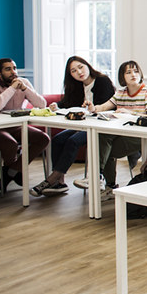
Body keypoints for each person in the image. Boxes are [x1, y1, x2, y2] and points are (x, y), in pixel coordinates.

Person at [29, 56, 114, 196]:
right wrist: (57, 105)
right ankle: (59, 182)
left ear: (87, 65)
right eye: (74, 71)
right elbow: (68, 102)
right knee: (57, 140)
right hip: (83, 124)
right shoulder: (77, 85)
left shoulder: (102, 81)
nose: (79, 72)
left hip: (99, 125)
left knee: (73, 141)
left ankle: (52, 179)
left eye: (80, 67)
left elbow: (106, 106)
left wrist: (93, 108)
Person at [73, 60, 147, 200]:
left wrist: (128, 113)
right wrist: (92, 108)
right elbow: (104, 107)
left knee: (105, 147)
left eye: (135, 71)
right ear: (122, 77)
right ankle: (105, 183)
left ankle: (101, 180)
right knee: (103, 139)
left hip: (139, 135)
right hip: (122, 132)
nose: (133, 74)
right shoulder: (121, 92)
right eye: (128, 72)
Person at [0, 58, 50, 192]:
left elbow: (42, 105)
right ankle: (15, 171)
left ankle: (11, 171)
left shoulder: (23, 82)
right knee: (10, 142)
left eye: (15, 68)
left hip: (16, 126)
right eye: (8, 69)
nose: (13, 72)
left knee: (43, 138)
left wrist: (25, 88)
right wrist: (12, 88)